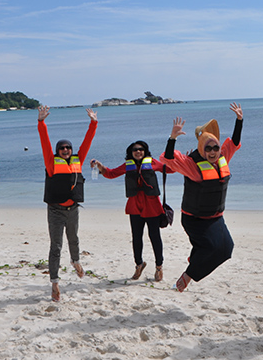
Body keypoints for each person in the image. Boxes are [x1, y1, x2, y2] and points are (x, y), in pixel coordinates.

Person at [160, 103, 243, 292]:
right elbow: (169, 159)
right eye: (208, 149)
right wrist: (172, 138)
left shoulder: (222, 158)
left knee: (227, 249)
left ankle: (195, 260)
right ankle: (187, 277)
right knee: (212, 248)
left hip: (216, 217)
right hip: (195, 219)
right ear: (202, 149)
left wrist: (239, 120)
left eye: (215, 147)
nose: (213, 152)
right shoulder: (192, 166)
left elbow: (234, 143)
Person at [38, 105, 97, 302]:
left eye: (68, 148)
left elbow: (87, 141)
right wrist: (41, 122)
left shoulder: (78, 160)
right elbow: (45, 143)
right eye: (62, 148)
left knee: (74, 239)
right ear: (58, 151)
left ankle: (76, 261)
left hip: (73, 210)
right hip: (55, 210)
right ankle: (54, 283)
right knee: (56, 246)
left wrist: (93, 123)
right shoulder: (51, 163)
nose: (65, 150)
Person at [91, 141, 173, 282]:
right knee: (136, 237)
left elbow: (170, 169)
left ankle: (159, 267)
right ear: (131, 153)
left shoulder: (153, 162)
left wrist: (183, 161)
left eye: (141, 149)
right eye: (135, 150)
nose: (138, 152)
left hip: (152, 205)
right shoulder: (127, 165)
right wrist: (99, 166)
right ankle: (139, 265)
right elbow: (111, 173)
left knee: (154, 236)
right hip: (135, 205)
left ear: (145, 151)